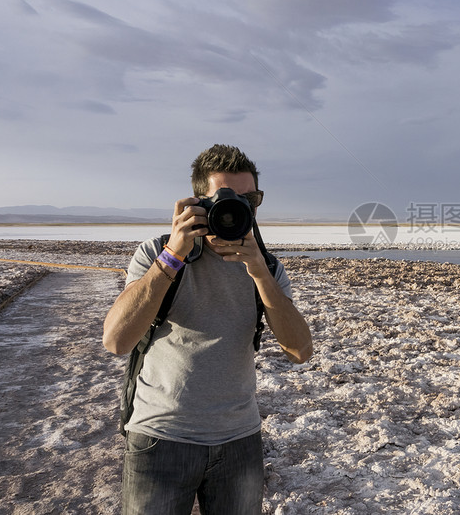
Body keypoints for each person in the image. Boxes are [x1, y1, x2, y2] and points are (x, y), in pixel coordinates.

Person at [103, 144, 313, 514]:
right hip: (160, 437)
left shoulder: (267, 268)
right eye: (226, 199)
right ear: (198, 203)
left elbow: (300, 351)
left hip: (239, 441)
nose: (239, 208)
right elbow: (117, 341)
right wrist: (173, 254)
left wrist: (260, 273)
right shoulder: (157, 254)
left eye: (250, 199)